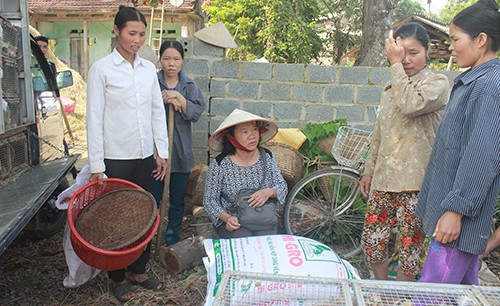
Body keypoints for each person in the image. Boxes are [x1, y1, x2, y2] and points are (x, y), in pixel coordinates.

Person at [86, 6, 169, 302]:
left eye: (142, 35)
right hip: (115, 158)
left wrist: (162, 152)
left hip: (145, 156)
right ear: (117, 31)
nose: (137, 40)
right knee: (115, 219)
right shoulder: (102, 69)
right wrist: (97, 165)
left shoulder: (148, 70)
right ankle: (118, 276)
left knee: (145, 212)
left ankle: (138, 269)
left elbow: (156, 112)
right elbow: (93, 118)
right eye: (131, 33)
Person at [416, 0, 500, 285]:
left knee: (430, 298)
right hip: (452, 218)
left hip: (458, 222)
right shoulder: (474, 81)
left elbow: (482, 155)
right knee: (464, 293)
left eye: (455, 39)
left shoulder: (490, 86)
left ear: (481, 40)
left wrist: (456, 211)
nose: (450, 46)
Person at [359, 22, 450, 281]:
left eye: (413, 52)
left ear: (427, 51)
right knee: (372, 245)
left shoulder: (437, 83)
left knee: (410, 250)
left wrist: (395, 66)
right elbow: (379, 134)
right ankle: (383, 288)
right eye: (400, 53)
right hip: (384, 182)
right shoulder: (389, 90)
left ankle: (402, 295)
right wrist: (369, 171)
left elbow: (411, 104)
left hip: (417, 184)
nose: (406, 60)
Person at [152, 40, 207, 246]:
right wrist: (165, 99)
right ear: (160, 60)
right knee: (153, 198)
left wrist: (178, 98)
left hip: (181, 152)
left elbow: (196, 112)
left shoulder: (189, 85)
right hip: (157, 153)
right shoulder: (152, 82)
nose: (171, 63)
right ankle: (150, 238)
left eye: (176, 59)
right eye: (166, 58)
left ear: (182, 61)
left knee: (177, 201)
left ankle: (171, 237)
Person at [203, 109, 288, 238]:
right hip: (235, 221)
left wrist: (269, 192)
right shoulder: (220, 164)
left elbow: (282, 185)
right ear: (231, 137)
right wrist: (227, 219)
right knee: (244, 240)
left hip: (262, 218)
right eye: (245, 132)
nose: (252, 135)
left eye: (254, 129)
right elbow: (209, 200)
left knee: (267, 242)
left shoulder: (267, 157)